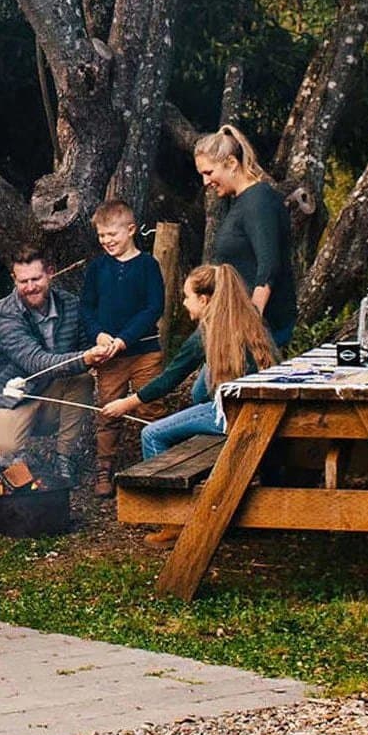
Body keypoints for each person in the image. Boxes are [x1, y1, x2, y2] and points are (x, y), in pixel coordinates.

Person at [100, 263, 279, 544]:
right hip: (258, 410)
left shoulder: (207, 333)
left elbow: (170, 378)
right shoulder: (248, 319)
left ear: (204, 299)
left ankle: (171, 521)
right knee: (200, 388)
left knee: (152, 434)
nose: (184, 303)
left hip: (235, 416)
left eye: (187, 297)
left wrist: (127, 403)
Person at [0, 248, 111, 493]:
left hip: (53, 391)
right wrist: (85, 357)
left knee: (82, 380)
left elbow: (85, 344)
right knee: (3, 446)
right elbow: (37, 362)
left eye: (36, 279)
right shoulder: (5, 317)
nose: (30, 287)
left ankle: (64, 458)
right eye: (23, 281)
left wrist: (99, 348)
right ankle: (19, 468)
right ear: (14, 279)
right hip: (13, 396)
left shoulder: (70, 304)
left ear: (50, 273)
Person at [79, 199, 165, 499]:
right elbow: (86, 308)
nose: (106, 241)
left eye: (111, 234)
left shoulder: (148, 266)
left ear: (130, 230)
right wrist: (99, 334)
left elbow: (154, 307)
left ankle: (157, 465)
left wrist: (125, 338)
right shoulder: (97, 268)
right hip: (109, 357)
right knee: (108, 411)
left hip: (144, 353)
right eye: (101, 236)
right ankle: (105, 469)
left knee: (151, 407)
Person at [195, 124, 296, 348]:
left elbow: (268, 267)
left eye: (209, 173)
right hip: (236, 325)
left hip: (259, 329)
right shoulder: (241, 201)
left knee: (214, 384)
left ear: (231, 163)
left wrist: (251, 325)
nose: (205, 182)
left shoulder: (258, 201)